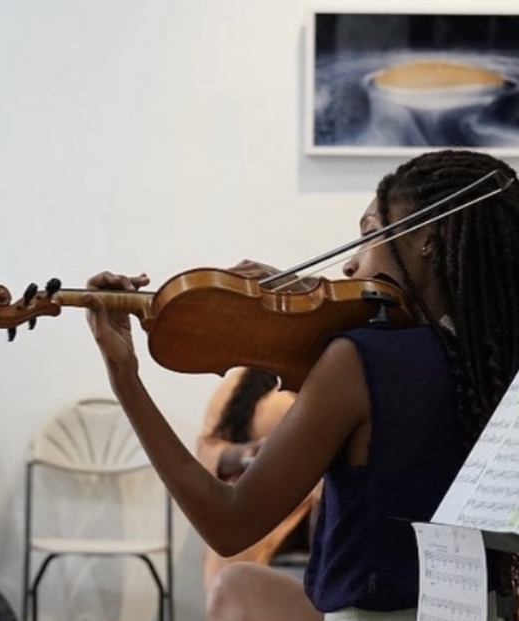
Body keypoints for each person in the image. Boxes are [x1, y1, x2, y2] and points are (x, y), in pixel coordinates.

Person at [82, 149, 519, 620]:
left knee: (234, 579)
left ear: (429, 241)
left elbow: (229, 524)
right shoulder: (498, 368)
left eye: (371, 235)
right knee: (240, 586)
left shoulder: (362, 359)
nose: (352, 265)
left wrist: (125, 380)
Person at [197, 368, 323, 621]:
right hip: (253, 502)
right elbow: (207, 448)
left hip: (310, 509)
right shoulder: (241, 379)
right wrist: (247, 454)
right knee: (230, 581)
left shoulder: (330, 368)